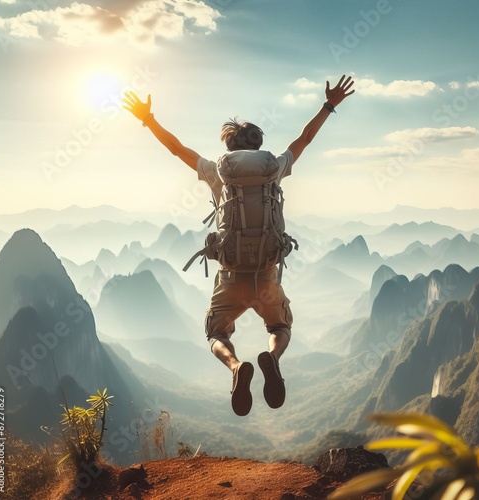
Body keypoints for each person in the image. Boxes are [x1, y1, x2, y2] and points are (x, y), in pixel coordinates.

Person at [123, 75, 355, 416]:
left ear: (228, 149)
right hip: (266, 277)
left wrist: (148, 118)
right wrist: (329, 105)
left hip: (230, 280)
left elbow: (176, 148)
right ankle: (272, 358)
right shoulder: (273, 170)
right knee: (279, 327)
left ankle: (234, 367)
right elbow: (305, 138)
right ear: (258, 145)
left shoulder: (216, 173)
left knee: (216, 333)